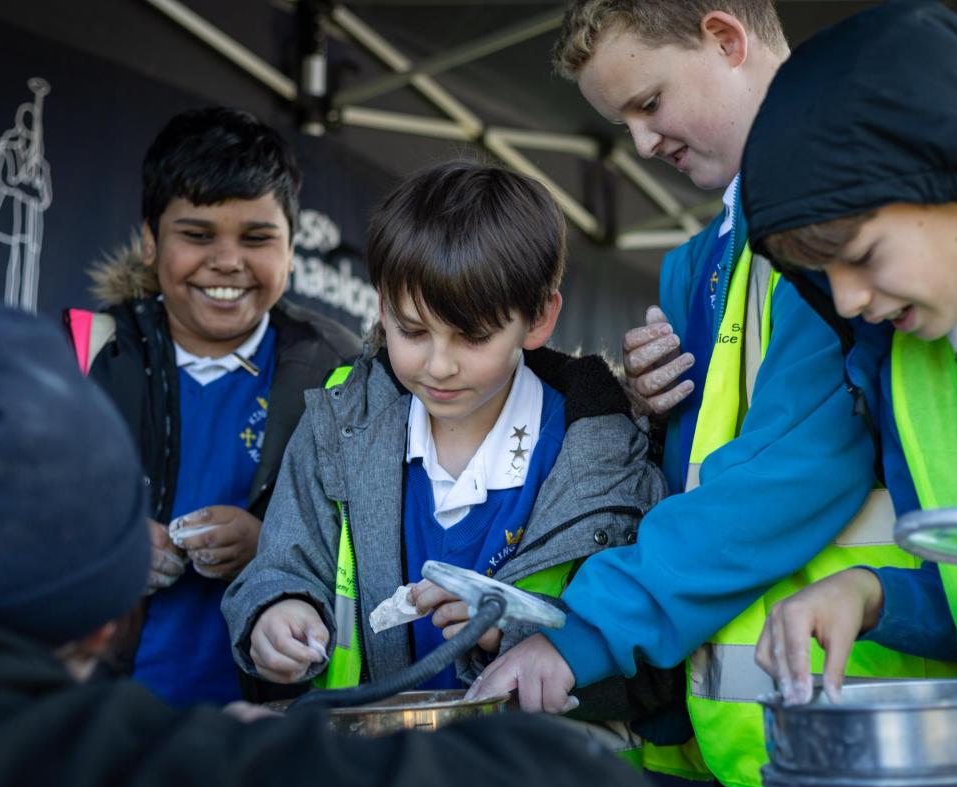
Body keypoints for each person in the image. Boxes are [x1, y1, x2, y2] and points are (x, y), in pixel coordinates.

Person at [0, 304, 666, 787]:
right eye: (413, 329)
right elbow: (573, 784)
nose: (440, 363)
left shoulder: (603, 442)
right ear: (99, 624)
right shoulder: (108, 770)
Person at [470, 1, 957, 787]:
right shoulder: (695, 262)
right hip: (722, 729)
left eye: (649, 102)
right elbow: (711, 467)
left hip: (869, 721)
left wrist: (590, 629)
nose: (640, 142)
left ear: (727, 39)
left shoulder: (841, 218)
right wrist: (656, 414)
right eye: (620, 120)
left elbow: (798, 462)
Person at [221, 161, 668, 729]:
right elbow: (282, 564)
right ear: (381, 307)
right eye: (411, 330)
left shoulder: (608, 454)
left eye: (473, 336)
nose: (438, 365)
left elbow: (651, 666)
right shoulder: (333, 428)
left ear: (539, 319)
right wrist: (277, 611)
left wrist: (518, 633)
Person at [741, 1, 957, 701]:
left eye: (863, 255)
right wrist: (871, 594)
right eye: (823, 276)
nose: (845, 303)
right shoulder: (904, 377)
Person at [64, 107, 361, 706]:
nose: (227, 260)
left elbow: (379, 545)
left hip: (262, 727)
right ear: (150, 241)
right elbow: (13, 519)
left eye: (256, 238)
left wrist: (273, 547)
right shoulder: (85, 351)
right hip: (99, 717)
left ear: (292, 248)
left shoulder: (343, 368)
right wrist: (104, 542)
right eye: (197, 235)